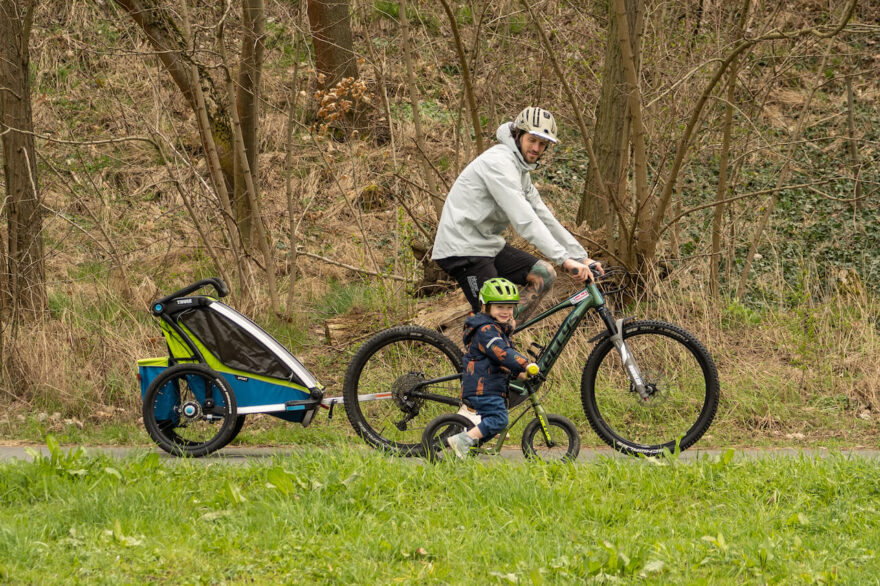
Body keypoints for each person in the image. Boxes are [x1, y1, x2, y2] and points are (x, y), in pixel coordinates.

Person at [433, 106, 603, 320]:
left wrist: (580, 257)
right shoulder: (499, 164)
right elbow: (525, 220)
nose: (536, 148)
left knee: (544, 274)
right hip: (462, 249)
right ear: (517, 134)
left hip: (486, 245)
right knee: (494, 315)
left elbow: (542, 214)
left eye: (542, 144)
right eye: (532, 140)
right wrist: (564, 260)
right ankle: (489, 340)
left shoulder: (520, 170)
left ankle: (503, 330)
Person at [446, 278, 536, 459]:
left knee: (497, 422)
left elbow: (498, 363)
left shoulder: (496, 328)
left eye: (509, 307)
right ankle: (463, 440)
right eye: (499, 307)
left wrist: (519, 373)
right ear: (486, 306)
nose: (505, 312)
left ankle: (467, 447)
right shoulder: (486, 330)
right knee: (500, 419)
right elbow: (502, 353)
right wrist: (526, 364)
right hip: (482, 388)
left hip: (489, 385)